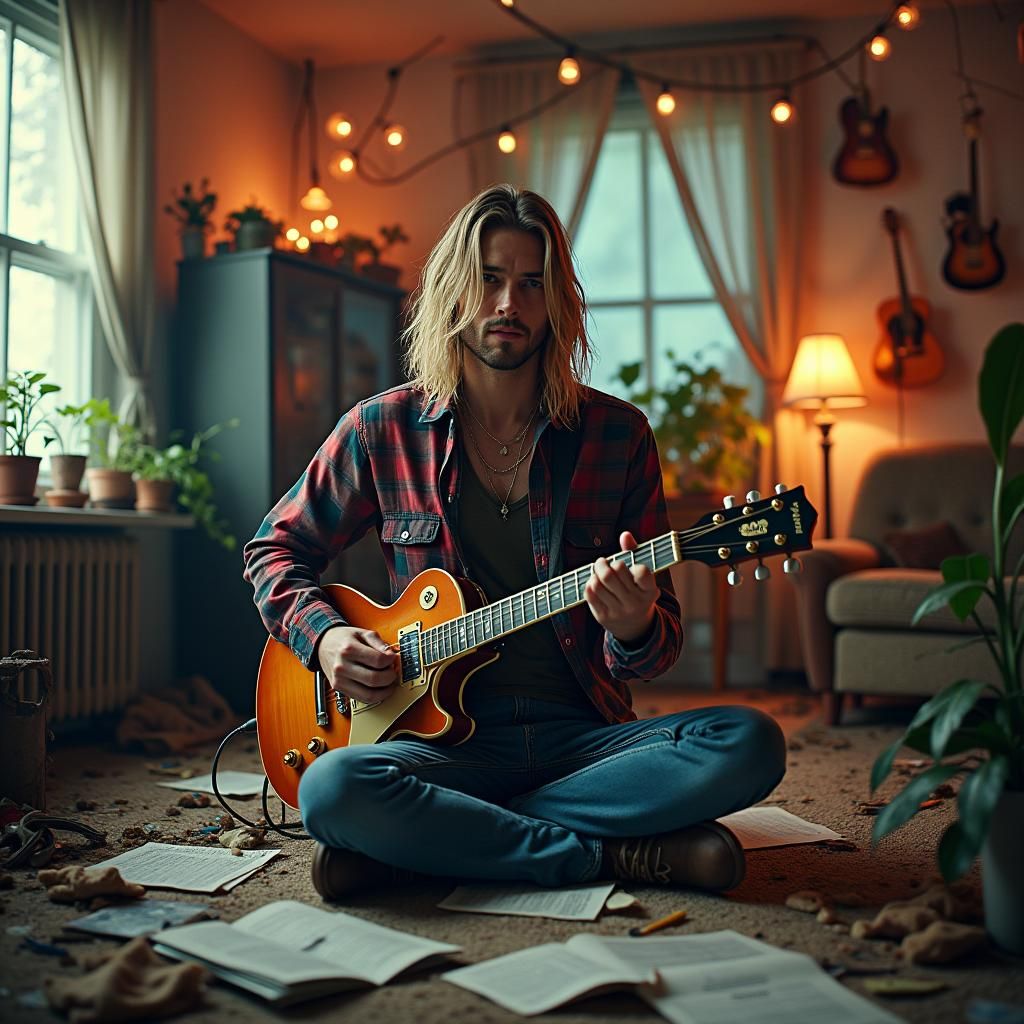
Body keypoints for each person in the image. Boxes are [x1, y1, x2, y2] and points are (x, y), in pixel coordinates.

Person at [242, 184, 786, 901]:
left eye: (532, 283)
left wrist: (633, 625)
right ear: (453, 291)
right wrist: (327, 639)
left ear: (556, 302)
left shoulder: (617, 435)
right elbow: (273, 551)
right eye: (490, 279)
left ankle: (436, 846)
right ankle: (607, 853)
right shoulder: (381, 429)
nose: (508, 304)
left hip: (582, 742)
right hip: (440, 749)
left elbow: (657, 653)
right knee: (333, 786)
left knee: (749, 743)